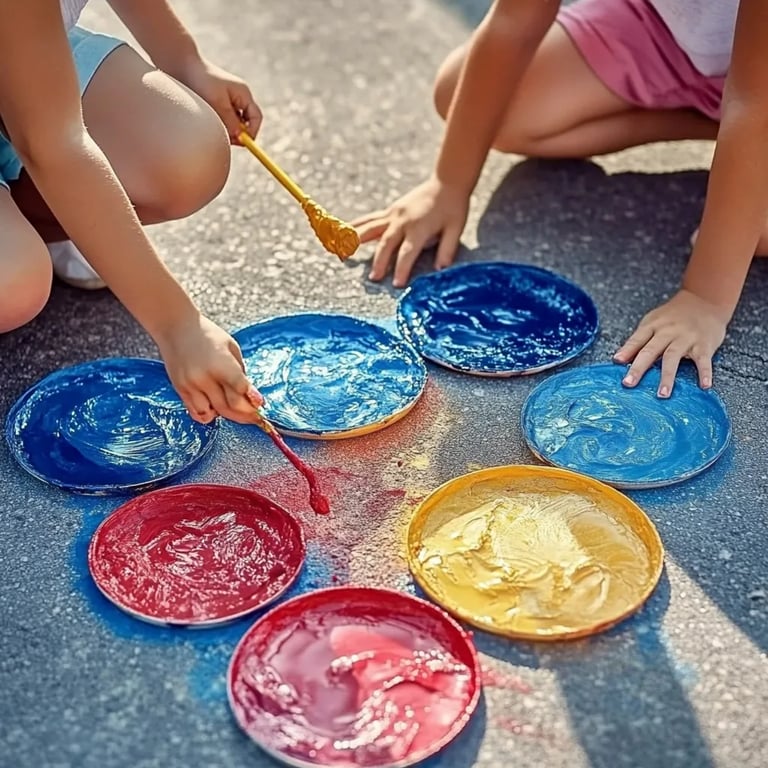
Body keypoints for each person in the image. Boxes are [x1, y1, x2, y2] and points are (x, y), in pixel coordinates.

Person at [354, 0, 765, 397]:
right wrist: (449, 183)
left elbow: (753, 105)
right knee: (472, 98)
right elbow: (514, 21)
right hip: (668, 34)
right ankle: (712, 125)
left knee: (755, 233)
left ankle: (736, 146)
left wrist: (705, 299)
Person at [0, 0, 265, 423]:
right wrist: (178, 325)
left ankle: (75, 218)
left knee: (186, 156)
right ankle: (69, 220)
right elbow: (53, 145)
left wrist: (186, 59)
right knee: (13, 283)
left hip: (28, 53)